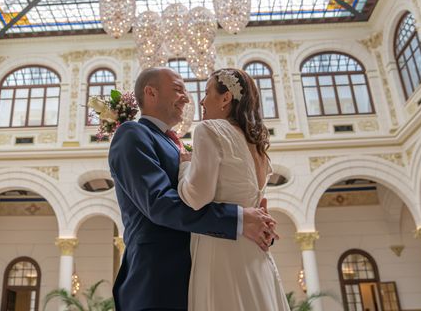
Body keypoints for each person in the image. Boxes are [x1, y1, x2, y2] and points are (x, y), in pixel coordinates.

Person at [108, 67, 277, 311]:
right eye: (178, 90)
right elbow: (160, 204)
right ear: (150, 93)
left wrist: (257, 224)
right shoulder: (133, 134)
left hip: (206, 273)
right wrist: (240, 220)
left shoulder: (180, 143)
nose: (188, 98)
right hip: (159, 280)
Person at [178, 68, 290, 310]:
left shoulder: (210, 130)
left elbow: (196, 197)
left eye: (207, 92)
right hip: (255, 252)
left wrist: (185, 166)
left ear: (226, 97)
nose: (201, 100)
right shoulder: (258, 147)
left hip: (222, 251)